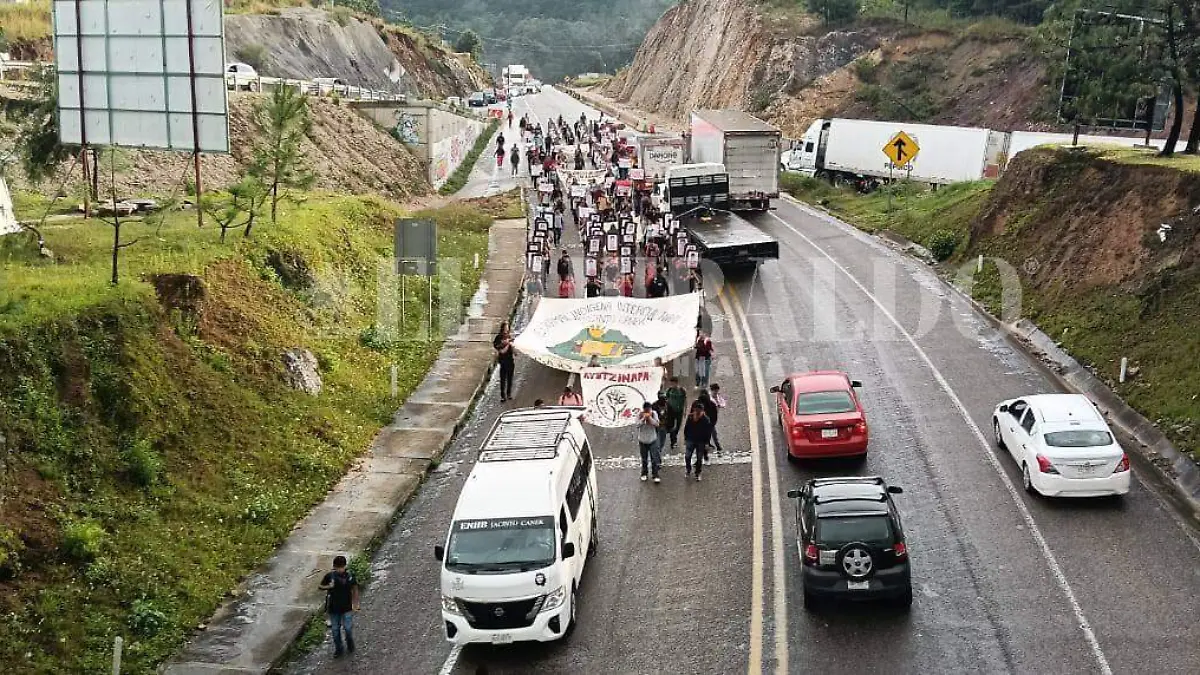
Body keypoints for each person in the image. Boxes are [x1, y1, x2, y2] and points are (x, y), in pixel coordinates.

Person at [318, 555, 360, 657]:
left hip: (346, 607)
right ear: (334, 567)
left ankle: (350, 643)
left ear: (345, 566)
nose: (340, 569)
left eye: (341, 567)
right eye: (337, 567)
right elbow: (320, 586)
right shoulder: (330, 576)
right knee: (335, 631)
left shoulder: (350, 576)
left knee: (348, 628)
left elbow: (355, 588)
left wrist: (355, 603)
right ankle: (339, 649)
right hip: (334, 608)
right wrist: (329, 586)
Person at [683, 402, 714, 481]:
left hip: (701, 441)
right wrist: (685, 439)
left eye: (699, 410)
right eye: (696, 410)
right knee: (687, 456)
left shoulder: (705, 419)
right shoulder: (690, 417)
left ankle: (698, 473)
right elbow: (686, 428)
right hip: (690, 439)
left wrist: (707, 443)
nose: (697, 412)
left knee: (699, 458)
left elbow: (708, 432)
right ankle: (688, 469)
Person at [635, 401, 662, 483]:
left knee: (654, 458)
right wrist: (643, 419)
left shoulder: (654, 413)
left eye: (649, 410)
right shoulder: (639, 414)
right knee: (644, 459)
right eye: (646, 410)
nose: (647, 412)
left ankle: (655, 475)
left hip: (652, 439)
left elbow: (657, 424)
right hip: (642, 440)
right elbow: (637, 425)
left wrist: (650, 418)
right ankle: (644, 473)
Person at [493, 322, 515, 401]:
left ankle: (508, 394)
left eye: (508, 327)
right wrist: (507, 343)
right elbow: (502, 351)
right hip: (503, 361)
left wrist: (513, 347)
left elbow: (514, 352)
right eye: (506, 327)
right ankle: (503, 395)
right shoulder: (498, 338)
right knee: (503, 379)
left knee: (510, 378)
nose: (507, 329)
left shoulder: (509, 337)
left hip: (510, 361)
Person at [664, 377, 687, 448]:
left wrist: (685, 410)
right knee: (671, 426)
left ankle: (674, 435)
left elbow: (685, 401)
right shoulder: (669, 390)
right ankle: (673, 441)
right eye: (671, 383)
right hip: (671, 411)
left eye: (673, 383)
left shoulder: (682, 390)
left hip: (679, 410)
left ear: (676, 383)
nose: (672, 385)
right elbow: (666, 399)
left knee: (678, 426)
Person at [697, 388, 719, 461]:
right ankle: (707, 451)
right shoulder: (709, 404)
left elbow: (715, 415)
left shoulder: (709, 404)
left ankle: (714, 447)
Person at [709, 383, 727, 453]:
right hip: (708, 418)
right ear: (712, 390)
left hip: (714, 418)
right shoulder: (709, 398)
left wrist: (719, 405)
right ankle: (718, 447)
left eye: (717, 391)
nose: (716, 392)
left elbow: (723, 403)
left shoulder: (718, 397)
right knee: (713, 432)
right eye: (715, 391)